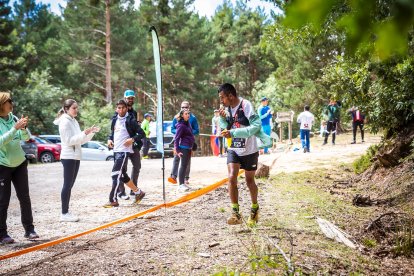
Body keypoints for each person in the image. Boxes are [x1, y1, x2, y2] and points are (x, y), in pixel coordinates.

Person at [217, 83, 272, 226]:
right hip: (233, 148)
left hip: (249, 149)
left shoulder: (245, 105)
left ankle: (254, 209)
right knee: (231, 177)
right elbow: (225, 128)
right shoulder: (226, 108)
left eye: (223, 98)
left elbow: (256, 126)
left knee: (249, 181)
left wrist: (234, 132)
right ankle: (235, 213)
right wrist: (223, 120)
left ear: (231, 95)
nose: (221, 101)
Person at [0, 92, 39, 243]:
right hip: (3, 165)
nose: (12, 103)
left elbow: (26, 137)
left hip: (20, 163)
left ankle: (29, 230)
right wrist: (15, 129)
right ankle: (2, 234)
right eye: (8, 101)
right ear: (2, 104)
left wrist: (23, 128)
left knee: (25, 197)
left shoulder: (14, 118)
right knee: (3, 200)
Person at [55, 99, 99, 222]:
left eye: (77, 107)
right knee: (67, 185)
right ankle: (64, 213)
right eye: (74, 108)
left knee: (70, 185)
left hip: (75, 156)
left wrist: (90, 133)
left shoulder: (73, 121)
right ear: (66, 109)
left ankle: (66, 212)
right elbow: (69, 141)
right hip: (68, 156)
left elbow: (81, 140)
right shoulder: (64, 122)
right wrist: (83, 133)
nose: (76, 110)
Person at [105, 99, 146, 208]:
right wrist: (109, 140)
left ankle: (113, 200)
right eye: (119, 108)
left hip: (124, 152)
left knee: (115, 174)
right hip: (116, 151)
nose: (121, 109)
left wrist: (132, 140)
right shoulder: (114, 119)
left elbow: (142, 134)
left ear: (126, 108)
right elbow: (112, 133)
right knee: (122, 175)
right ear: (116, 109)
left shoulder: (130, 120)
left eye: (123, 107)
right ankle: (138, 192)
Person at [117, 89, 142, 200]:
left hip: (133, 144)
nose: (130, 100)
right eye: (128, 98)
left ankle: (134, 190)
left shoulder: (134, 113)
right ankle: (121, 192)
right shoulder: (120, 111)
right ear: (125, 98)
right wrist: (110, 139)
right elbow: (114, 127)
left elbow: (135, 129)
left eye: (132, 98)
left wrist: (137, 125)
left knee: (137, 166)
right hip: (123, 145)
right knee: (122, 169)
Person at [168, 101, 199, 185]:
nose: (184, 108)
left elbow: (197, 130)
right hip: (179, 141)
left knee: (187, 160)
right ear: (180, 108)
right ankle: (173, 176)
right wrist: (180, 131)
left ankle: (186, 178)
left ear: (189, 108)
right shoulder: (176, 117)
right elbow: (172, 129)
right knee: (176, 157)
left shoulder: (192, 118)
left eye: (186, 107)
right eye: (182, 107)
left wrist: (188, 132)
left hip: (188, 141)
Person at [173, 109, 195, 192]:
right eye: (186, 114)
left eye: (188, 113)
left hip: (189, 147)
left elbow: (190, 134)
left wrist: (193, 143)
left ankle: (183, 184)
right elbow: (177, 138)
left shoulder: (188, 123)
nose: (188, 115)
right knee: (183, 165)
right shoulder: (181, 125)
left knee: (185, 166)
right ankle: (180, 185)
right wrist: (178, 150)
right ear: (182, 115)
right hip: (184, 147)